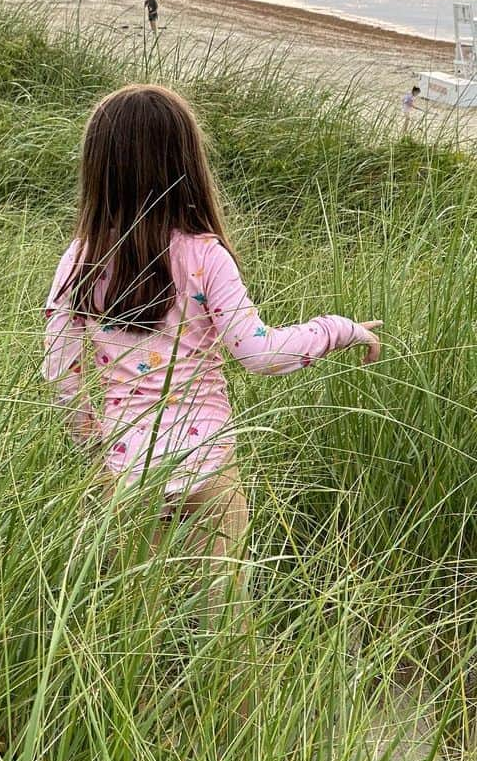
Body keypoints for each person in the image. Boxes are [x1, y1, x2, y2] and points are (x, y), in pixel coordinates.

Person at [42, 84, 381, 612]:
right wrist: (338, 328)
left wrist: (95, 449)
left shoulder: (80, 259)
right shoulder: (204, 256)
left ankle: (147, 701)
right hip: (208, 468)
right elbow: (260, 353)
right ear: (186, 164)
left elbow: (60, 370)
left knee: (129, 639)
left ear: (98, 169)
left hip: (125, 473)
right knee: (225, 631)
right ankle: (235, 698)